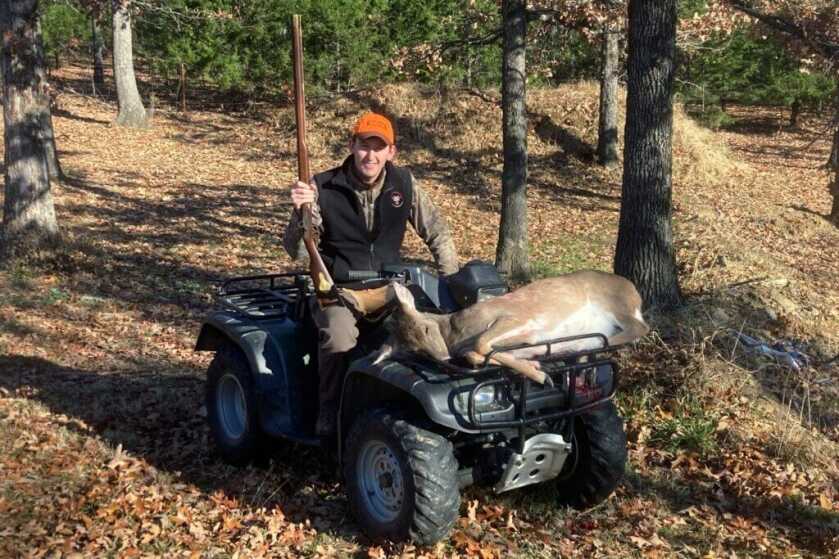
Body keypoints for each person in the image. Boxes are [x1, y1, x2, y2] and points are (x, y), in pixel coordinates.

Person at [283, 111, 459, 436]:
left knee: (433, 335)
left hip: (391, 289)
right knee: (338, 339)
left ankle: (437, 414)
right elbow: (296, 251)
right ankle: (330, 418)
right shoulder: (322, 186)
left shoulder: (404, 183)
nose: (371, 155)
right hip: (339, 289)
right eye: (365, 145)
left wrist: (453, 283)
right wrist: (300, 215)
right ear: (352, 145)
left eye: (380, 147)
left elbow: (437, 232)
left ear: (391, 152)